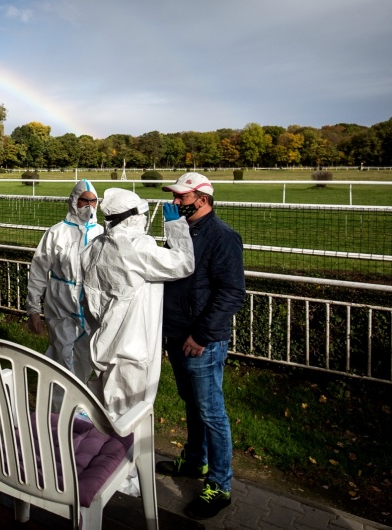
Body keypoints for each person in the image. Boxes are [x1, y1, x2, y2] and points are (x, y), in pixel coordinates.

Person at [157, 172, 246, 520]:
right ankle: (195, 461)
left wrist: (202, 335)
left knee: (211, 412)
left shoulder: (223, 237)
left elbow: (232, 293)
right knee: (191, 403)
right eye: (176, 197)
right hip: (177, 335)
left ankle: (220, 485)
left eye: (182, 197)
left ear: (203, 199)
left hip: (201, 341)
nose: (176, 203)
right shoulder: (181, 231)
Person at [80, 187, 194, 419]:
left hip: (104, 342)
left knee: (103, 409)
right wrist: (176, 227)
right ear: (131, 217)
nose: (144, 218)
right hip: (132, 350)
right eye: (142, 213)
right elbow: (183, 263)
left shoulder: (95, 247)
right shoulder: (137, 247)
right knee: (127, 420)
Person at [26, 179, 103, 383]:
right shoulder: (56, 232)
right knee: (62, 354)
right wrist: (33, 309)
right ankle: (59, 406)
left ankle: (79, 400)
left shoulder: (102, 233)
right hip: (60, 303)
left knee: (87, 356)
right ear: (74, 201)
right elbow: (38, 271)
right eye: (84, 201)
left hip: (91, 306)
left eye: (93, 201)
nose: (89, 206)